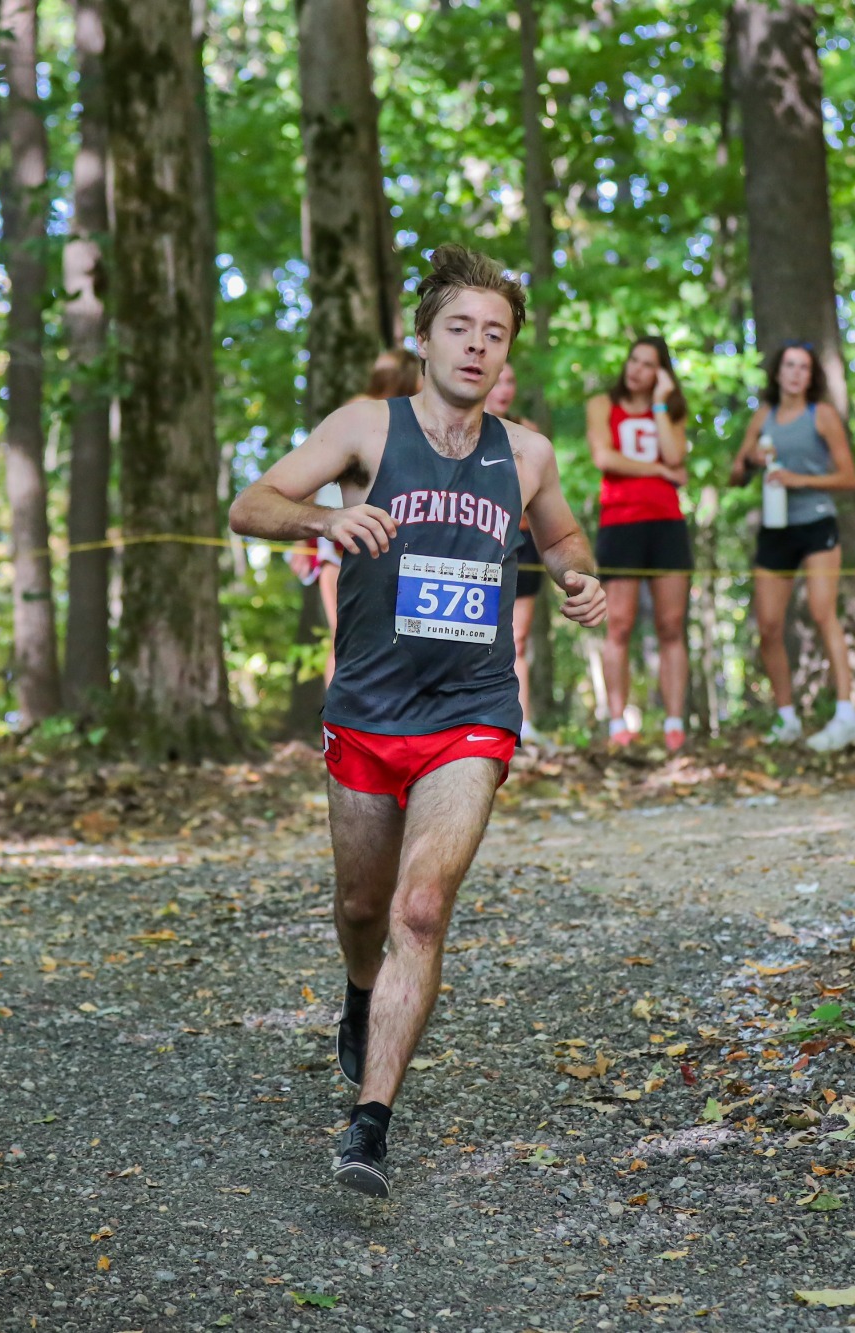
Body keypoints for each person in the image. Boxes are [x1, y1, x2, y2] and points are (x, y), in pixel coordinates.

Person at [228, 244, 606, 1198]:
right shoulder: (366, 426)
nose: (477, 346)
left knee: (421, 906)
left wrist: (578, 575)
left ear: (507, 350)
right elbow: (250, 503)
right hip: (368, 709)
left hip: (471, 711)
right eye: (459, 328)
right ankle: (362, 995)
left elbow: (562, 534)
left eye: (495, 333)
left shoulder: (527, 453)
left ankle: (370, 1125)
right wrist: (324, 521)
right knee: (363, 908)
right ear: (425, 338)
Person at [731, 342, 855, 753]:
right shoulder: (763, 416)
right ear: (777, 372)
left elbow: (848, 478)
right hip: (775, 528)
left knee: (822, 612)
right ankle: (787, 718)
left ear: (811, 377)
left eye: (803, 367)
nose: (795, 373)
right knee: (769, 626)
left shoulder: (821, 415)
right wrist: (751, 460)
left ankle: (846, 716)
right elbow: (736, 474)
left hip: (816, 523)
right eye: (789, 365)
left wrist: (799, 479)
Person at [292, 349, 424, 684]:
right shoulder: (359, 408)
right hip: (338, 532)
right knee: (344, 631)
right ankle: (335, 713)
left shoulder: (413, 418)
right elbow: (311, 471)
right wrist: (300, 541)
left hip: (388, 533)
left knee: (386, 632)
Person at [586, 336, 691, 752]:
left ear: (660, 373)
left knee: (671, 625)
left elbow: (675, 454)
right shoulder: (602, 404)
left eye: (648, 364)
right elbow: (604, 458)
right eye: (634, 360)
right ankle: (618, 723)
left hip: (667, 523)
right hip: (620, 523)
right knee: (619, 624)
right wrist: (660, 471)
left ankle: (674, 724)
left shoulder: (671, 410)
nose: (636, 369)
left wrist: (661, 404)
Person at [484, 363, 545, 743]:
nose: (504, 389)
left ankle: (520, 722)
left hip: (521, 542)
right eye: (498, 381)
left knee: (516, 638)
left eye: (511, 381)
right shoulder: (458, 429)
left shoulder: (528, 433)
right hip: (476, 543)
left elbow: (538, 497)